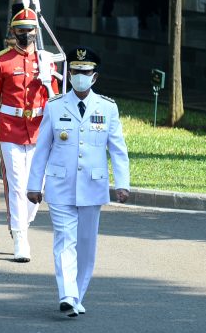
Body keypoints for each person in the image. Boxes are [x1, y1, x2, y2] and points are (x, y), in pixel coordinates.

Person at [26, 47, 130, 318]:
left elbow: (117, 149)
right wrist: (34, 185)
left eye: (85, 72)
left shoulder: (107, 108)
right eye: (75, 72)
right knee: (64, 240)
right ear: (69, 74)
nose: (79, 77)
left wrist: (122, 183)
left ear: (94, 77)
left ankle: (78, 295)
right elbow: (42, 149)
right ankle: (67, 294)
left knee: (86, 245)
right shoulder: (55, 105)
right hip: (60, 186)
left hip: (92, 187)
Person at [0, 6, 59, 263]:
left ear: (36, 32)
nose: (24, 35)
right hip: (10, 128)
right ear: (13, 32)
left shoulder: (45, 60)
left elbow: (55, 99)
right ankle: (20, 235)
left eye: (29, 30)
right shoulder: (1, 59)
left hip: (39, 129)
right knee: (16, 184)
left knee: (37, 185)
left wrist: (49, 79)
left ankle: (23, 222)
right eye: (20, 31)